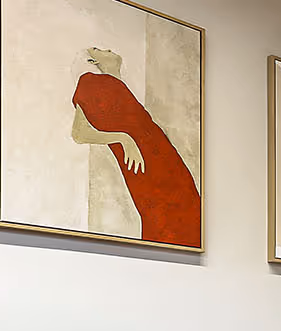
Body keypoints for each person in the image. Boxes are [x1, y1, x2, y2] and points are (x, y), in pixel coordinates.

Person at [70, 47, 200, 247]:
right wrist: (123, 139)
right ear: (94, 61)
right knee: (161, 216)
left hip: (167, 158)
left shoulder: (119, 87)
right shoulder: (89, 81)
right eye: (99, 49)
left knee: (187, 207)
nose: (109, 50)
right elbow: (79, 133)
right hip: (143, 162)